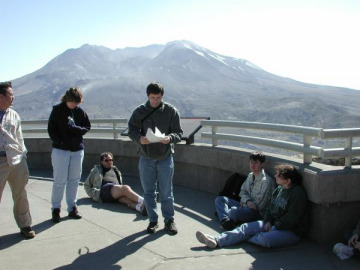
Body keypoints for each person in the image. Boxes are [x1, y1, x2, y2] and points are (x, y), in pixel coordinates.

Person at [196, 164, 309, 249]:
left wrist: (276, 227)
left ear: (288, 181)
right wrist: (268, 221)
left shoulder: (297, 194)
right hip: (273, 223)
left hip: (291, 231)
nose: (275, 176)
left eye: (279, 175)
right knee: (245, 228)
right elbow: (270, 207)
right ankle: (217, 240)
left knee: (265, 239)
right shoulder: (279, 189)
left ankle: (247, 237)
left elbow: (292, 218)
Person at [128, 82, 183, 235]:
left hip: (165, 157)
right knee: (148, 191)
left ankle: (169, 220)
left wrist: (169, 138)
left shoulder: (171, 111)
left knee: (166, 191)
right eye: (153, 97)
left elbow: (178, 133)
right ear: (147, 96)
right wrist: (139, 138)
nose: (156, 100)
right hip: (146, 157)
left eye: (158, 97)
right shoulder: (139, 111)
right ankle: (153, 220)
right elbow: (131, 130)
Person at [48, 87, 91, 223]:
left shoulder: (80, 112)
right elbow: (51, 129)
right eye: (71, 101)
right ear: (66, 99)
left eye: (76, 102)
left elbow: (87, 127)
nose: (73, 104)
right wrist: (60, 142)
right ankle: (56, 209)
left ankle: (72, 207)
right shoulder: (57, 110)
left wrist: (75, 129)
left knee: (74, 180)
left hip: (77, 150)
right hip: (61, 150)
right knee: (59, 181)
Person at [0, 81, 35, 238]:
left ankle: (25, 225)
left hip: (16, 160)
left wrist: (23, 154)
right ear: (1, 96)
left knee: (20, 194)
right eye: (10, 95)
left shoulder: (13, 114)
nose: (13, 97)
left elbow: (19, 137)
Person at [215, 152, 275, 230]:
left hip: (257, 213)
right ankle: (226, 221)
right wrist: (248, 201)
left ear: (262, 164)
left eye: (256, 163)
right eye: (251, 162)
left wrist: (247, 203)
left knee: (233, 211)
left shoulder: (267, 182)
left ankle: (224, 216)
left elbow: (259, 206)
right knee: (220, 199)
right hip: (245, 205)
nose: (252, 165)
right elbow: (242, 191)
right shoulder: (250, 175)